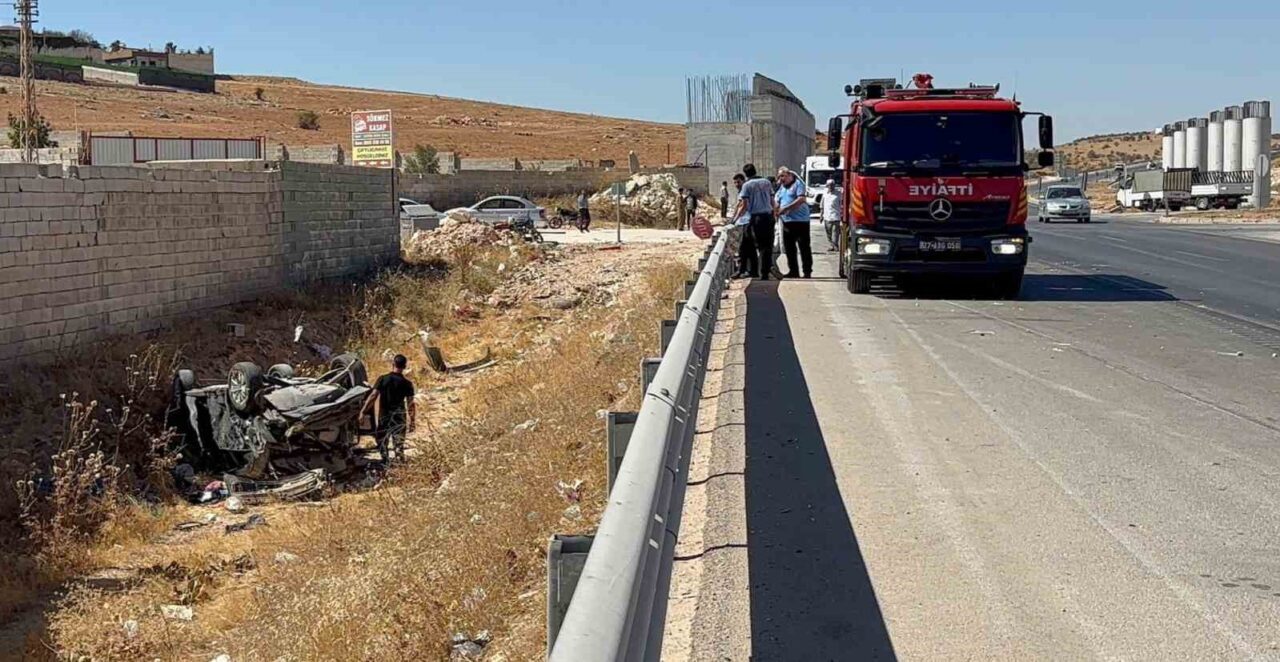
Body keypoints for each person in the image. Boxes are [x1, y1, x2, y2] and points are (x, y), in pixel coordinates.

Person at [360, 354, 417, 463]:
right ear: (404, 367)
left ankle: (385, 461)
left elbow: (373, 396)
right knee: (399, 443)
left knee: (382, 441)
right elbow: (410, 404)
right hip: (399, 417)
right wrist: (412, 420)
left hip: (384, 415)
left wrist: (363, 411)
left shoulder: (383, 379)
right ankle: (400, 464)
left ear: (393, 364)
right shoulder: (407, 384)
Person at [731, 163, 777, 281]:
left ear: (745, 174)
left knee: (753, 245)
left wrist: (734, 219)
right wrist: (775, 215)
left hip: (755, 218)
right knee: (767, 247)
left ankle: (751, 270)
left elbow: (744, 205)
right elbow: (772, 201)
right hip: (768, 217)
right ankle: (765, 273)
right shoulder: (766, 182)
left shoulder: (747, 185)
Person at [774, 167, 812, 278]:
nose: (781, 179)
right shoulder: (782, 188)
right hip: (787, 221)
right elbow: (777, 199)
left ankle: (807, 271)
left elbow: (801, 200)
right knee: (789, 248)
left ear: (790, 175)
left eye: (783, 176)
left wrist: (785, 209)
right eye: (779, 176)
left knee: (804, 247)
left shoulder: (798, 184)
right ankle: (793, 271)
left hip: (800, 221)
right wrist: (776, 209)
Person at [730, 173, 756, 278]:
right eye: (735, 182)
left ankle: (744, 270)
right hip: (743, 221)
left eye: (738, 182)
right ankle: (747, 270)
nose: (736, 184)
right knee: (747, 248)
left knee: (745, 248)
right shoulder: (741, 192)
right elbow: (738, 205)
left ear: (743, 181)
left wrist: (734, 219)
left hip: (747, 221)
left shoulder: (745, 190)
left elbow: (743, 206)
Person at [821, 178, 842, 251]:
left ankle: (835, 245)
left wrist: (842, 214)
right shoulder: (825, 193)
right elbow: (822, 204)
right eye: (829, 185)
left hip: (836, 216)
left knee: (836, 232)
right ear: (827, 186)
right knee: (828, 232)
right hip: (827, 216)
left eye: (832, 185)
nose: (830, 186)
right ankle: (831, 245)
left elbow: (842, 204)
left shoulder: (838, 193)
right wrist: (821, 215)